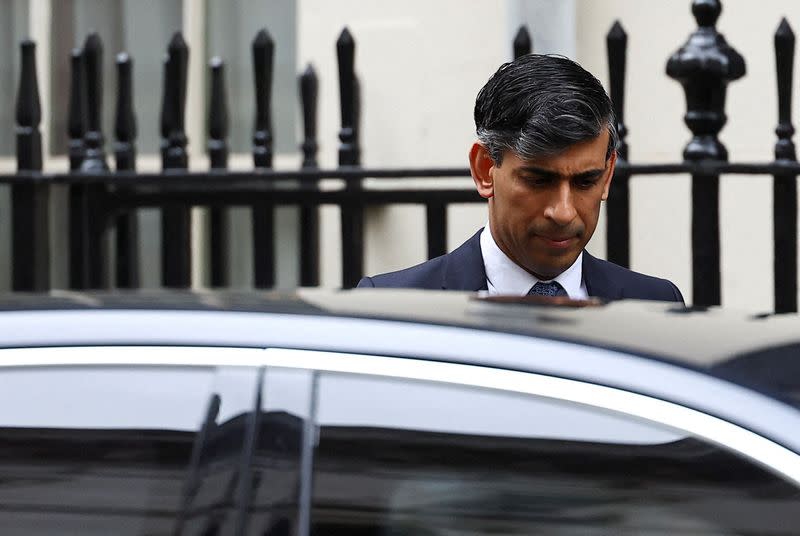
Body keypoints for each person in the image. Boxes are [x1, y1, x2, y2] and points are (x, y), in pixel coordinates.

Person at [358, 54, 683, 302]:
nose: (564, 211)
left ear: (608, 173)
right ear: (485, 169)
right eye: (538, 180)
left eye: (585, 181)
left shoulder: (655, 305)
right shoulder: (393, 307)